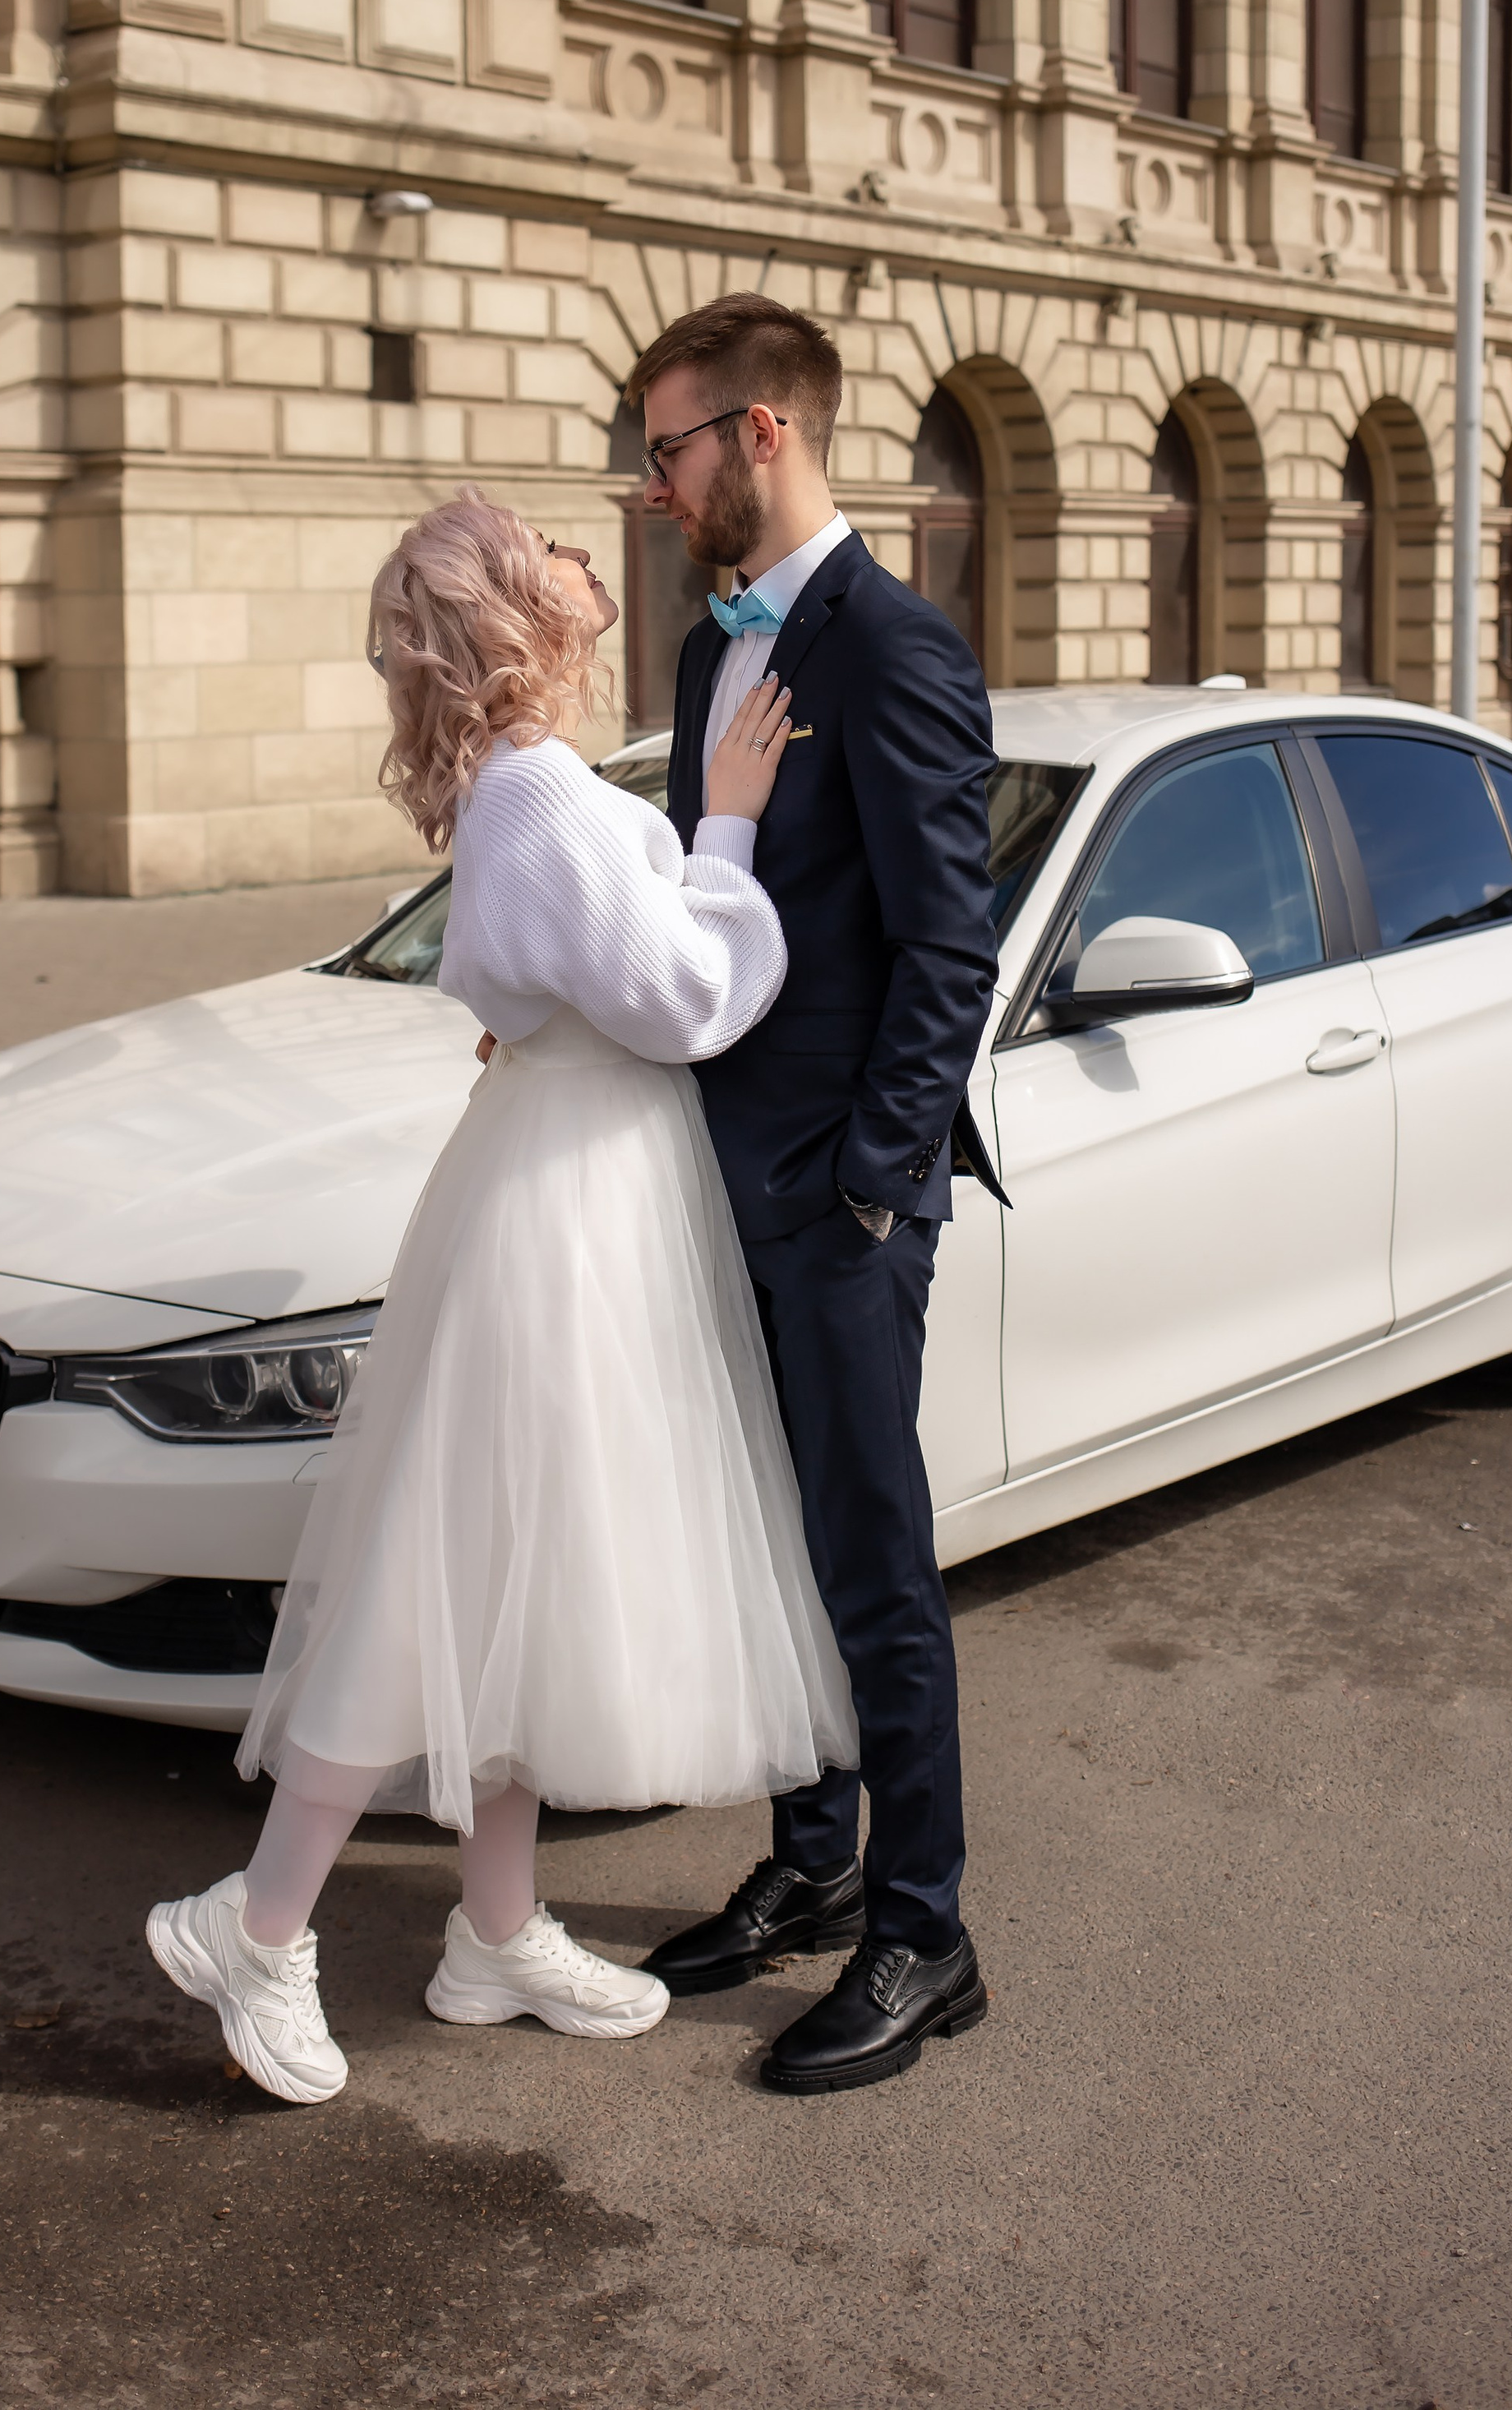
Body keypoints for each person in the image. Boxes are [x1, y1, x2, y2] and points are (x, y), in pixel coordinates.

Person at [147, 489, 855, 2104]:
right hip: (567, 1206)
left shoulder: (529, 785)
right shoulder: (539, 792)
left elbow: (562, 983)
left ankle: (495, 1930)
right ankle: (256, 1925)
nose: (587, 554)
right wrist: (730, 829)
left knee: (526, 1569)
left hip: (575, 1181)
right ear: (508, 610)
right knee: (446, 1571)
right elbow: (687, 999)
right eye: (549, 547)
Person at [631, 293, 1001, 2097]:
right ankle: (815, 1856)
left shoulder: (898, 647)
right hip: (723, 1181)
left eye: (668, 447)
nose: (653, 485)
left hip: (841, 1206)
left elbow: (949, 949)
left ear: (760, 432)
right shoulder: (706, 655)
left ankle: (924, 1930)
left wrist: (870, 1189)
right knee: (773, 1549)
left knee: (868, 1561)